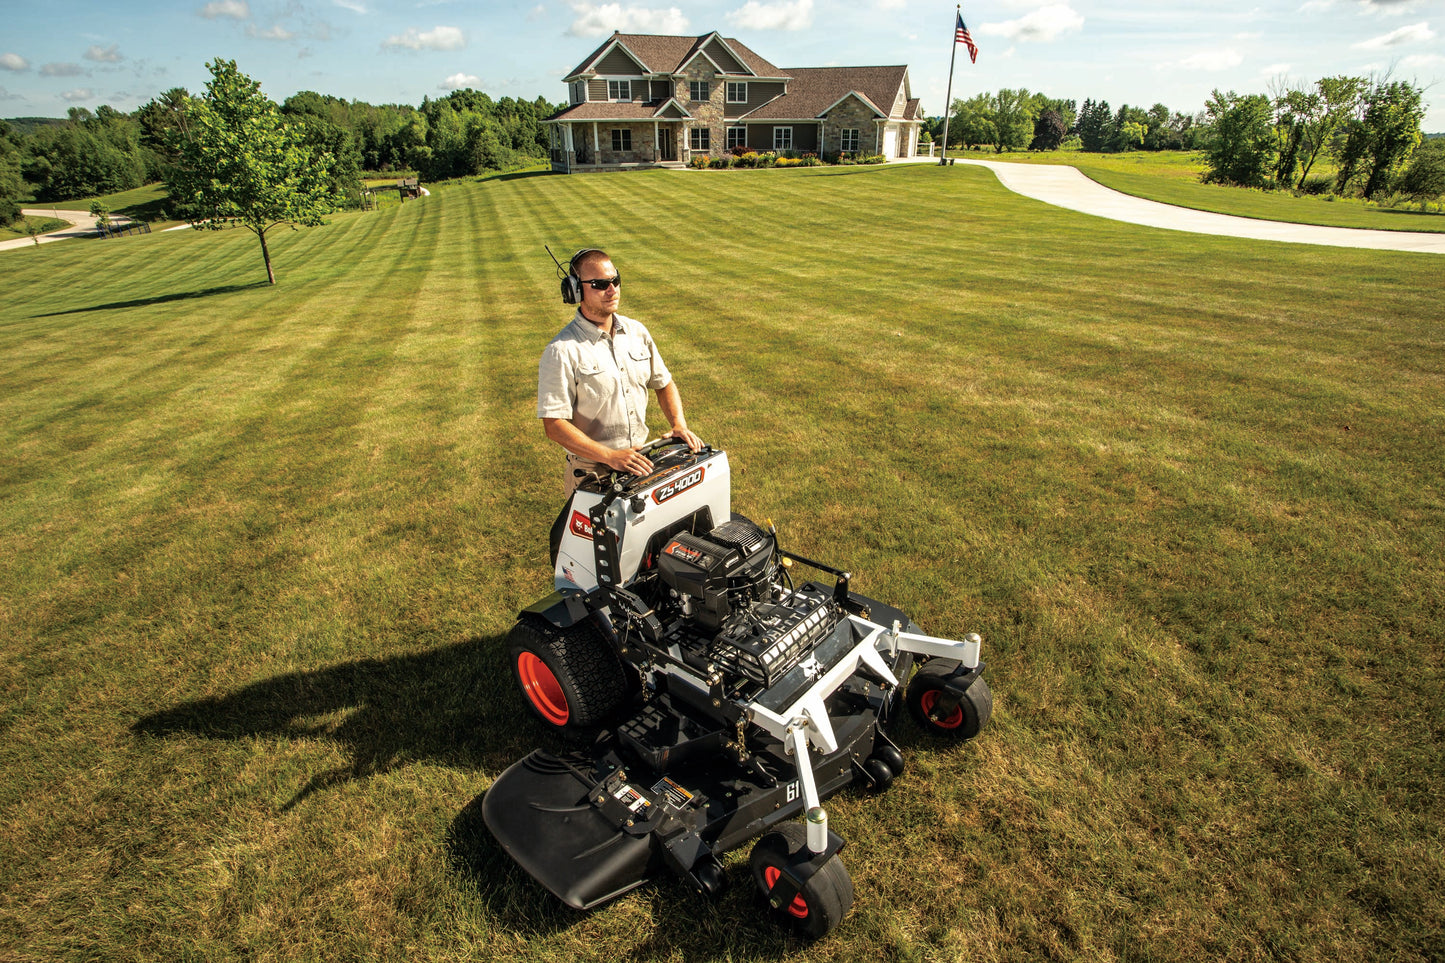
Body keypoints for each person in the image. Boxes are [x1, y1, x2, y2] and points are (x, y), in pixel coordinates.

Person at [537, 248, 702, 496]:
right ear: (575, 290)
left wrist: (678, 423)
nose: (612, 290)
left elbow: (663, 383)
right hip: (592, 476)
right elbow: (554, 425)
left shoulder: (637, 332)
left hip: (639, 463)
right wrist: (610, 456)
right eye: (600, 284)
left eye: (615, 280)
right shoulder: (561, 350)